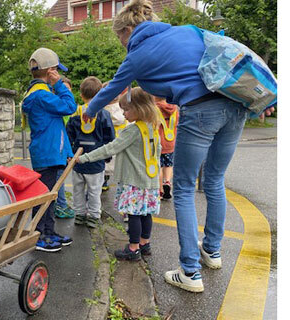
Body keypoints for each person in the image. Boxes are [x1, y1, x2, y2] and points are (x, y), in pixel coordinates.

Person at [80, 0, 274, 292]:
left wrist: (90, 111)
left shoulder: (138, 52)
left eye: (120, 37)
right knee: (215, 181)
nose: (121, 44)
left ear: (129, 29)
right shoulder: (189, 31)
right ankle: (212, 250)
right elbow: (231, 54)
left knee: (182, 189)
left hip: (199, 111)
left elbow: (112, 88)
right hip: (235, 107)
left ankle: (190, 271)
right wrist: (264, 95)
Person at [77, 87, 161, 261]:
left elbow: (111, 148)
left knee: (134, 215)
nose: (124, 114)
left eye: (127, 110)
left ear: (140, 108)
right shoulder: (153, 126)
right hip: (149, 179)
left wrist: (84, 158)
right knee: (146, 213)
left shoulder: (133, 130)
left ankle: (133, 248)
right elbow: (157, 152)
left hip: (134, 180)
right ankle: (145, 244)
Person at [22, 47, 76, 252]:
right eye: (57, 71)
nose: (59, 75)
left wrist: (67, 151)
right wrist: (60, 85)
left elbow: (56, 125)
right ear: (50, 70)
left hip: (50, 152)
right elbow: (69, 107)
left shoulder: (40, 94)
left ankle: (49, 231)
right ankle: (40, 235)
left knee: (49, 195)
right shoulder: (41, 95)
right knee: (44, 196)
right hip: (47, 153)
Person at [66, 76, 115, 229]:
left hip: (77, 160)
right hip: (96, 161)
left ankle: (79, 214)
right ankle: (94, 216)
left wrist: (69, 155)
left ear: (81, 95)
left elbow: (68, 136)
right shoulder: (104, 115)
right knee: (95, 191)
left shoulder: (75, 113)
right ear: (101, 94)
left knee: (78, 189)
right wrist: (107, 157)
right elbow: (110, 138)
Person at [55, 76, 76, 219]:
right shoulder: (58, 109)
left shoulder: (72, 111)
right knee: (59, 178)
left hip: (66, 148)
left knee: (60, 177)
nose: (65, 92)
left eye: (68, 89)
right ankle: (61, 204)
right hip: (58, 150)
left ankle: (61, 203)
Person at [101, 81, 128, 193]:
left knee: (104, 161)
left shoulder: (102, 110)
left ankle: (104, 182)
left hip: (107, 140)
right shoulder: (124, 109)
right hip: (121, 141)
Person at [154, 96, 178, 200]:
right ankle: (167, 181)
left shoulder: (154, 108)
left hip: (157, 143)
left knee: (158, 166)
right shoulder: (175, 108)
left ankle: (160, 190)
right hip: (171, 142)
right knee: (168, 164)